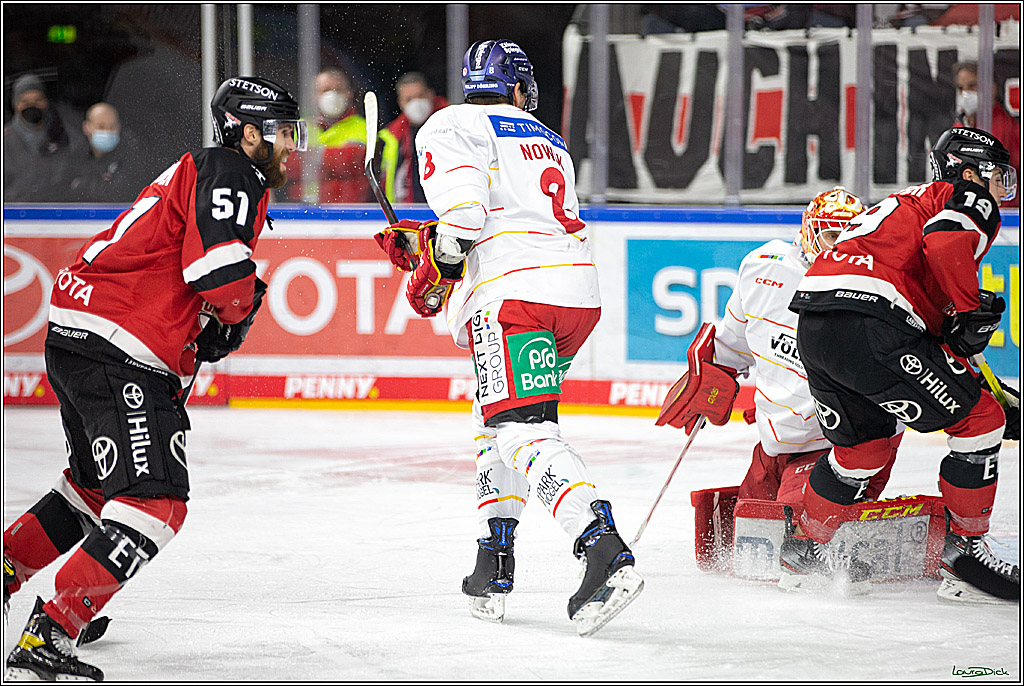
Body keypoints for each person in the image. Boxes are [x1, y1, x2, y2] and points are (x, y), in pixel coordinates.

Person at [3, 76, 306, 681]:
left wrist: (214, 320)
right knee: (155, 502)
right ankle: (53, 626)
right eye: (281, 132)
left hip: (80, 333)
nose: (291, 145)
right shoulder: (231, 170)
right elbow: (217, 272)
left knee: (94, 490)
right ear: (248, 134)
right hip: (120, 345)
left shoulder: (209, 170)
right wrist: (235, 311)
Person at [373, 39, 643, 637]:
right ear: (517, 87)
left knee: (521, 428)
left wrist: (428, 264)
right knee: (496, 416)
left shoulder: (450, 124)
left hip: (516, 298)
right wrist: (428, 244)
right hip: (572, 295)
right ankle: (493, 558)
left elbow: (463, 225)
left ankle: (601, 547)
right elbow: (508, 218)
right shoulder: (547, 138)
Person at [786, 126, 1020, 604]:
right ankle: (965, 560)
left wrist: (979, 375)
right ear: (970, 172)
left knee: (861, 452)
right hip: (873, 321)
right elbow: (946, 241)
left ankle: (802, 552)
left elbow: (930, 336)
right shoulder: (965, 197)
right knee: (981, 421)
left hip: (816, 323)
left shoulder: (903, 204)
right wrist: (968, 311)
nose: (1002, 189)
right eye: (998, 176)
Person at [713, 187, 903, 506]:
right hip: (776, 441)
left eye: (850, 236)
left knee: (798, 526)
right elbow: (733, 343)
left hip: (841, 447)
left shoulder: (877, 287)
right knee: (746, 524)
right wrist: (713, 371)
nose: (841, 247)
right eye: (832, 236)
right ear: (810, 232)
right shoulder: (762, 266)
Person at [283, 68, 397, 204]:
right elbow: (288, 167)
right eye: (325, 90)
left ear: (349, 93)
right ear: (313, 95)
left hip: (350, 209)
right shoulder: (299, 127)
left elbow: (357, 164)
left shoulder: (365, 127)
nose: (332, 95)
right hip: (304, 210)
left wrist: (313, 156)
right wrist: (336, 160)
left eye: (338, 89)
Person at [953, 60, 1019, 207]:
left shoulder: (1007, 126)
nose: (965, 93)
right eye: (961, 88)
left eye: (972, 86)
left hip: (1003, 209)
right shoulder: (960, 125)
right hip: (968, 207)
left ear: (991, 87)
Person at [64, 102, 154, 203]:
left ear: (119, 127)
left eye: (112, 126)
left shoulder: (131, 155)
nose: (107, 131)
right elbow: (63, 190)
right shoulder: (75, 155)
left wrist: (81, 185)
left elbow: (120, 193)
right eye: (101, 126)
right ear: (86, 127)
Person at [3, 73, 73, 201]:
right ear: (15, 105)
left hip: (55, 208)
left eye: (37, 100)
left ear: (46, 102)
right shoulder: (5, 140)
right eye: (25, 102)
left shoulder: (64, 135)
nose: (32, 106)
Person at [385, 72, 447, 204]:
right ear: (400, 102)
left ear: (431, 94)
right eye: (409, 99)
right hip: (409, 209)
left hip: (447, 207)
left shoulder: (451, 123)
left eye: (420, 96)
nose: (416, 103)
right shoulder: (393, 135)